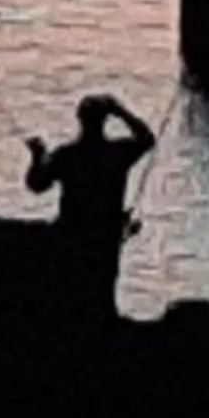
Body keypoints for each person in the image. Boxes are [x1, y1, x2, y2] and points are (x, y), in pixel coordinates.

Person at [26, 93, 156, 318]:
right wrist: (121, 111)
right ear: (106, 120)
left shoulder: (67, 155)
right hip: (106, 234)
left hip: (72, 232)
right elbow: (147, 139)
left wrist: (37, 156)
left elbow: (37, 185)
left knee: (72, 288)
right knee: (103, 286)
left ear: (79, 119)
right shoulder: (117, 153)